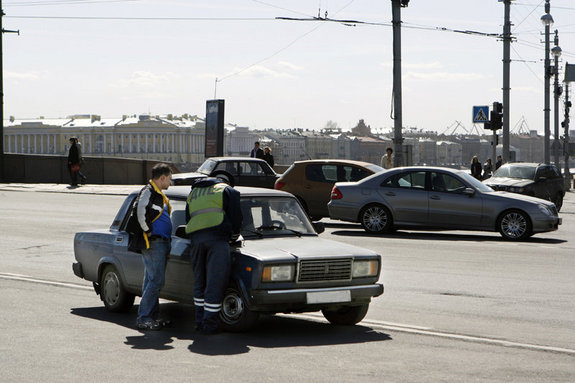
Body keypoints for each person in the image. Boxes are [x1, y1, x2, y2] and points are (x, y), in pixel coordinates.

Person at [185, 177, 242, 334]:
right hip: (217, 240)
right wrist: (234, 235)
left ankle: (199, 321)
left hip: (196, 240)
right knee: (215, 282)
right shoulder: (227, 190)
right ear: (225, 182)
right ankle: (210, 324)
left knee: (199, 281)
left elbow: (188, 218)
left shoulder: (194, 193)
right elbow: (237, 218)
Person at [132, 163, 173, 331]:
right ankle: (144, 318)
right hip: (154, 242)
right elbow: (139, 211)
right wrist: (147, 230)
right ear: (162, 178)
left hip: (160, 242)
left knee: (151, 280)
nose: (170, 182)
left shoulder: (157, 194)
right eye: (169, 179)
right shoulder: (148, 191)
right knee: (156, 280)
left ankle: (152, 317)